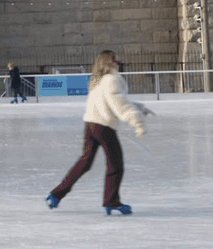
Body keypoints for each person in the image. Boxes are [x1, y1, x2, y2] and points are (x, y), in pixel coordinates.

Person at [45, 50, 153, 215]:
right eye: (114, 58)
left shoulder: (98, 80)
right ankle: (111, 201)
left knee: (85, 163)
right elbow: (119, 105)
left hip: (90, 125)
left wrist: (139, 108)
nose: (118, 60)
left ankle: (55, 194)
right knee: (115, 165)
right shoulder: (111, 79)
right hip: (103, 127)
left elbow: (116, 101)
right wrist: (137, 122)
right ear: (108, 61)